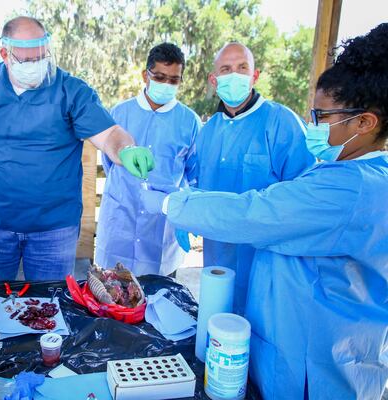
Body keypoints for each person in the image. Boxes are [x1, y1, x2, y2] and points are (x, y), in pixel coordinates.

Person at [141, 23, 388, 399]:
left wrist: (172, 203)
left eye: (322, 117)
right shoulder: (354, 171)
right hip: (270, 303)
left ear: (365, 122)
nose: (313, 125)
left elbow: (259, 212)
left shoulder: (352, 187)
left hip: (319, 362)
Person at [0, 16, 154, 281]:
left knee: (50, 304)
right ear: (4, 54)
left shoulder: (71, 90)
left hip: (53, 229)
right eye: (27, 60)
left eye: (42, 57)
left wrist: (126, 149)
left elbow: (110, 134)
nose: (36, 66)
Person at [178, 42, 315, 314]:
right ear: (214, 79)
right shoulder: (208, 132)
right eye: (226, 69)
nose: (235, 75)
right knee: (219, 328)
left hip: (267, 258)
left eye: (242, 68)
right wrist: (188, 210)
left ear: (255, 75)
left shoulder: (281, 123)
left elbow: (305, 194)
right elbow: (200, 184)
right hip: (218, 258)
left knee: (261, 331)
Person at [95, 43, 200, 276]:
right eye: (160, 77)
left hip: (161, 230)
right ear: (146, 75)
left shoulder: (189, 121)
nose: (166, 84)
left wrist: (188, 212)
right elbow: (110, 161)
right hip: (120, 224)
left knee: (159, 302)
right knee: (112, 301)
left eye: (174, 80)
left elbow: (194, 174)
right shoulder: (119, 113)